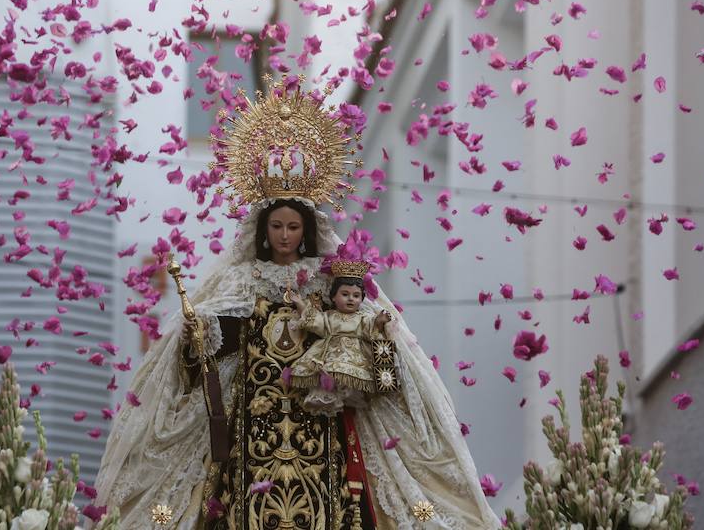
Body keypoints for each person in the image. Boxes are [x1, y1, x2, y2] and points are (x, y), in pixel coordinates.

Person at [93, 79, 500, 529]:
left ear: (306, 229)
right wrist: (198, 339)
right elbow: (207, 358)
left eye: (292, 227)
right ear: (263, 230)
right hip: (254, 429)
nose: (285, 236)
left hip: (322, 427)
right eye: (277, 227)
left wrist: (368, 342)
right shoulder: (238, 280)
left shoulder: (330, 281)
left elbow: (377, 350)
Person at [288, 261, 392, 415]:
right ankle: (326, 396)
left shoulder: (363, 318)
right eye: (345, 294)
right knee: (325, 374)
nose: (351, 299)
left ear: (362, 299)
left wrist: (379, 321)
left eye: (356, 296)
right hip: (329, 354)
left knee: (349, 380)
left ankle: (346, 394)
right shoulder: (329, 316)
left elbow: (371, 328)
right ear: (334, 297)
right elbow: (314, 320)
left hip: (353, 358)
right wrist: (300, 303)